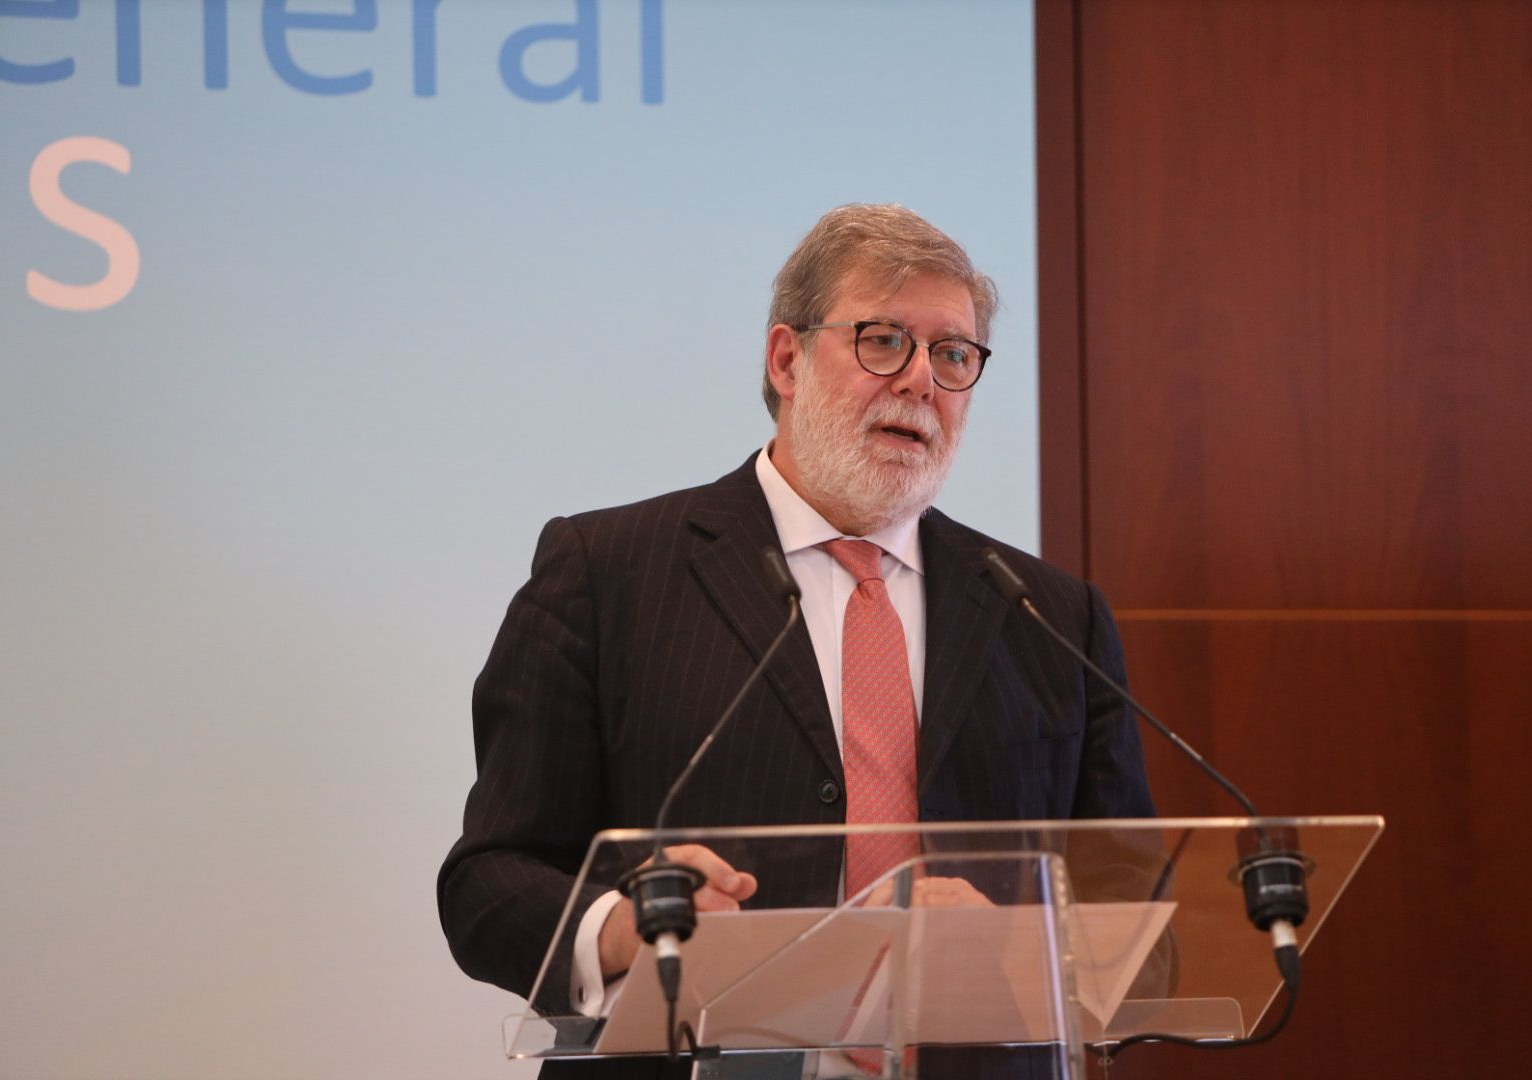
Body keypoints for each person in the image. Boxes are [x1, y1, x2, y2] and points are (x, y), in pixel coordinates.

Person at [438, 204, 1156, 1077]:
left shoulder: (1050, 615)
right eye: (884, 340)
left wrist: (1014, 943)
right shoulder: (608, 571)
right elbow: (489, 881)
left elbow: (1134, 915)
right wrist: (626, 928)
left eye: (953, 355)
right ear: (787, 358)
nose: (922, 380)